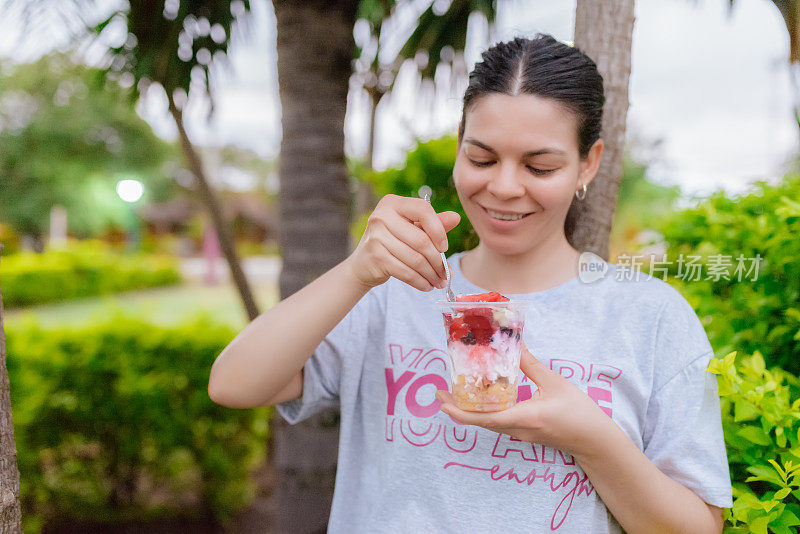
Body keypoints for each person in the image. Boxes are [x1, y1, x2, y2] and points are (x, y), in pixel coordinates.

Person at [208, 34, 732, 533]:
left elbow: (697, 526)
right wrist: (357, 271)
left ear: (586, 165)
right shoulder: (391, 295)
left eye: (539, 165)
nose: (503, 187)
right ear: (459, 147)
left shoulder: (651, 316)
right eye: (481, 158)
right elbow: (234, 384)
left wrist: (590, 437)